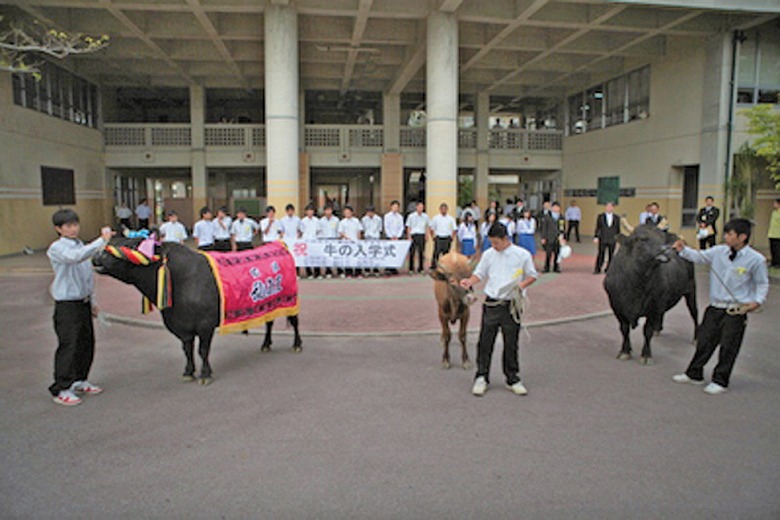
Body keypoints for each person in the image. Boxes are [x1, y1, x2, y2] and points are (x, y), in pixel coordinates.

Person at [671, 219, 769, 395]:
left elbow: (762, 283)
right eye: (726, 233)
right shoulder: (718, 251)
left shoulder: (756, 260)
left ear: (742, 237)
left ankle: (720, 380)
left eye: (730, 234)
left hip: (736, 310)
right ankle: (694, 374)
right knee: (704, 340)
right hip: (715, 306)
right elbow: (699, 257)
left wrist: (757, 301)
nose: (726, 237)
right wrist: (682, 250)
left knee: (728, 346)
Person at [460, 222, 538, 397]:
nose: (494, 246)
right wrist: (470, 281)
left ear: (505, 239)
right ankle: (481, 376)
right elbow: (479, 273)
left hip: (512, 304)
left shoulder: (522, 255)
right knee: (485, 341)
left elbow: (532, 275)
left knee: (511, 342)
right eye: (491, 242)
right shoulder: (488, 255)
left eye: (496, 242)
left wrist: (521, 285)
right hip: (492, 303)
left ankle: (512, 378)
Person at [46, 209, 113, 406]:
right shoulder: (57, 248)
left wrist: (92, 302)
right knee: (69, 345)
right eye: (68, 226)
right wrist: (102, 240)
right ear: (58, 228)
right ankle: (61, 388)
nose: (73, 229)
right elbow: (75, 257)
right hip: (67, 305)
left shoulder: (81, 245)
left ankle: (79, 380)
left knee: (86, 343)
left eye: (75, 224)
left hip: (82, 302)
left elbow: (87, 277)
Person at [593, 202, 621, 274]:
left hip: (612, 238)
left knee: (611, 254)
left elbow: (617, 229)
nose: (609, 208)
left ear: (613, 208)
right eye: (608, 206)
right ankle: (598, 268)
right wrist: (596, 236)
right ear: (605, 207)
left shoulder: (616, 218)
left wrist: (618, 239)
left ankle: (608, 269)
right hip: (603, 238)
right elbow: (598, 227)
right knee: (601, 254)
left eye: (611, 207)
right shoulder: (600, 216)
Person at [338, 205, 363, 278]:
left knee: (357, 257)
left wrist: (359, 239)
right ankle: (348, 272)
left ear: (352, 213)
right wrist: (346, 238)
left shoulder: (356, 220)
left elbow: (359, 230)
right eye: (346, 213)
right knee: (347, 258)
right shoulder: (342, 222)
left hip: (355, 241)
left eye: (348, 212)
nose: (347, 214)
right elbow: (341, 232)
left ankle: (358, 273)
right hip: (346, 242)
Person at [539, 202, 564, 273]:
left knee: (557, 254)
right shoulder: (547, 217)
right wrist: (543, 237)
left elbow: (562, 228)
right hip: (549, 237)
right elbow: (544, 228)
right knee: (548, 253)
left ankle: (556, 267)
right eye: (555, 207)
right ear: (552, 208)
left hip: (557, 238)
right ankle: (546, 267)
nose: (556, 209)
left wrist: (562, 236)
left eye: (558, 207)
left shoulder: (561, 217)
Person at [430, 203, 457, 269]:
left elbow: (454, 229)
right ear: (440, 209)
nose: (443, 210)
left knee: (446, 254)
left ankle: (446, 266)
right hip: (438, 237)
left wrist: (452, 237)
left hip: (447, 238)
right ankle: (434, 266)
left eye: (445, 209)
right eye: (442, 209)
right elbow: (431, 228)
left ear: (447, 209)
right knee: (436, 253)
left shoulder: (451, 218)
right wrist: (433, 236)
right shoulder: (436, 218)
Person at [406, 201, 430, 275]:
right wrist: (409, 236)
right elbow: (408, 227)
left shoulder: (425, 216)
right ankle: (411, 268)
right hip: (413, 234)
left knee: (421, 252)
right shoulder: (411, 216)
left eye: (422, 207)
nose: (421, 208)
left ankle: (421, 268)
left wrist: (427, 235)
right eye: (419, 207)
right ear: (416, 207)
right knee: (412, 253)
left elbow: (427, 226)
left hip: (421, 235)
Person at [383, 200, 405, 275]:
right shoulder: (387, 216)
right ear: (391, 207)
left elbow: (401, 227)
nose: (395, 208)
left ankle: (394, 268)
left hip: (397, 237)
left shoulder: (400, 217)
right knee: (389, 253)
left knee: (395, 253)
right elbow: (386, 227)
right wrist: (391, 236)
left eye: (397, 207)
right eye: (394, 207)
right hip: (389, 237)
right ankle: (388, 268)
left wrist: (398, 236)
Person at [299, 204, 321, 279]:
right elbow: (301, 231)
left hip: (314, 240)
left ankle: (317, 273)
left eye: (311, 210)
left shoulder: (316, 220)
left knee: (316, 257)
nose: (310, 212)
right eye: (308, 211)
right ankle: (309, 273)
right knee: (307, 258)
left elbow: (318, 231)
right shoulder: (303, 221)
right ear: (306, 212)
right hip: (306, 241)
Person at [319, 204, 340, 278]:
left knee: (333, 257)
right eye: (326, 210)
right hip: (324, 240)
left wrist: (338, 239)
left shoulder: (336, 220)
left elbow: (338, 230)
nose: (328, 211)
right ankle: (323, 273)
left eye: (329, 210)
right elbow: (320, 231)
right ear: (324, 211)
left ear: (332, 210)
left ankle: (334, 272)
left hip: (333, 239)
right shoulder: (321, 221)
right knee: (324, 257)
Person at [361, 205, 383, 276]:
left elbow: (380, 229)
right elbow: (363, 228)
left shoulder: (378, 219)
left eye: (371, 212)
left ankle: (376, 269)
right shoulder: (364, 219)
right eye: (368, 212)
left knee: (375, 254)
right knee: (367, 254)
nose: (369, 214)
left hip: (375, 238)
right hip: (367, 238)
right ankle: (367, 269)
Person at [770, 198, 780, 268]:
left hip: (778, 234)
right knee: (773, 249)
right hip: (772, 233)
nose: (774, 205)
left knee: (778, 250)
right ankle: (773, 262)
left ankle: (778, 263)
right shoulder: (774, 212)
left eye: (775, 203)